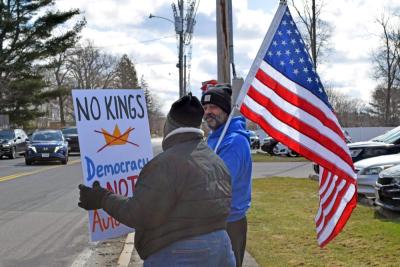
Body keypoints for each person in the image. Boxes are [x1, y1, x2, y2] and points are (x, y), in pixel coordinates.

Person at [78, 93, 235, 267]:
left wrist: (102, 197)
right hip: (221, 248)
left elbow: (138, 214)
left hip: (180, 253)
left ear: (169, 126)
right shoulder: (215, 160)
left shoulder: (165, 164)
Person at [201, 84, 252, 267]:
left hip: (229, 223)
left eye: (213, 107)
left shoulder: (234, 141)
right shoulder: (215, 137)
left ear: (225, 109)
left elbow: (219, 183)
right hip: (213, 220)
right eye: (205, 108)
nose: (208, 112)